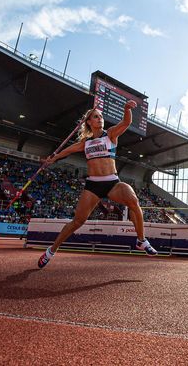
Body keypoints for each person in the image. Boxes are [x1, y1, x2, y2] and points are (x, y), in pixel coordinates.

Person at [37, 100, 157, 268]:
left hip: (112, 182)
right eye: (96, 117)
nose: (100, 119)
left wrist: (127, 109)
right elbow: (67, 151)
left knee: (134, 201)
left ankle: (141, 240)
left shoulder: (110, 135)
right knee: (77, 222)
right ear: (89, 122)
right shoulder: (85, 143)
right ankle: (51, 251)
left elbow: (127, 122)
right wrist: (53, 158)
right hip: (93, 186)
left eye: (101, 116)